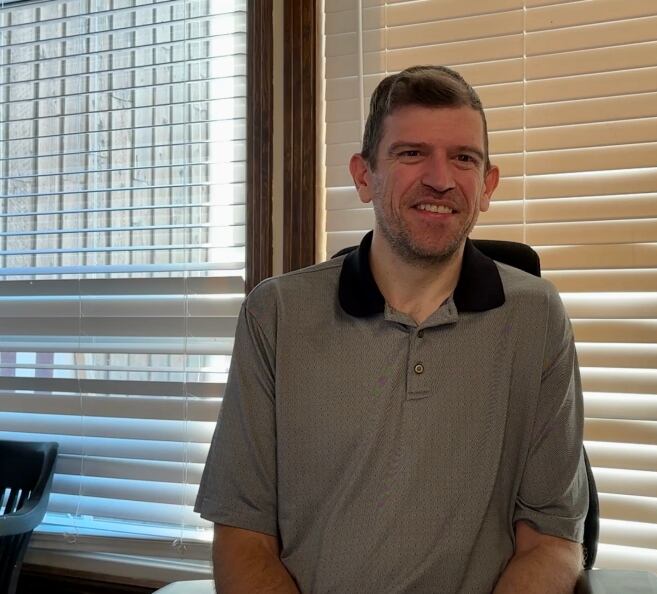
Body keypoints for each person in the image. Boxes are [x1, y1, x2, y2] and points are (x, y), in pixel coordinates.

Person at [194, 65, 588, 593]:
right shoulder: (276, 315)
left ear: (488, 185)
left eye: (464, 158)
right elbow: (244, 536)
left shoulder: (537, 317)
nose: (441, 179)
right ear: (363, 176)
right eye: (411, 153)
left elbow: (553, 540)